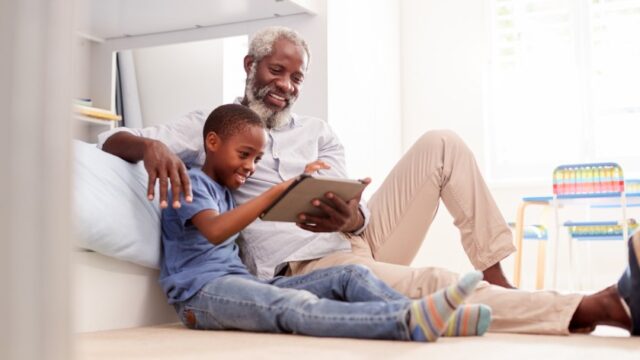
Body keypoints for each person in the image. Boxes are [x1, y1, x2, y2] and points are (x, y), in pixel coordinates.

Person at [100, 26, 638, 335]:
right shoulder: (210, 125)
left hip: (356, 236)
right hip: (306, 263)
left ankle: (497, 278)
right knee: (429, 282)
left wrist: (353, 215)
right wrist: (149, 147)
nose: (285, 85)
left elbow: (353, 207)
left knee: (441, 142)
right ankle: (596, 306)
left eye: (296, 77)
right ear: (250, 65)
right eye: (275, 71)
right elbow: (111, 141)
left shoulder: (318, 131)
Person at [160, 103, 493, 341]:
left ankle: (437, 318)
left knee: (350, 274)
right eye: (244, 154)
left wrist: (305, 187)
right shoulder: (189, 182)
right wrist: (278, 190)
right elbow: (216, 231)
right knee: (295, 305)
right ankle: (405, 321)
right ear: (213, 143)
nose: (250, 166)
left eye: (257, 159)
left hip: (242, 285)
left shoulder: (226, 191)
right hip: (200, 298)